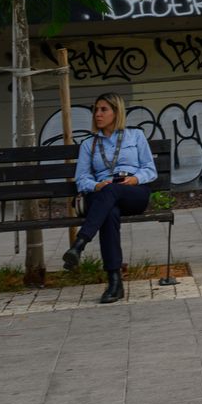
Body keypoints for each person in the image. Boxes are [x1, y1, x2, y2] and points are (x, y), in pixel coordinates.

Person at [63, 92, 158, 304]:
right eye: (96, 110)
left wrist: (135, 179)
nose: (98, 114)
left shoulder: (135, 136)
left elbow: (150, 170)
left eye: (103, 110)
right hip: (103, 195)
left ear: (116, 112)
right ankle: (114, 282)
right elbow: (82, 179)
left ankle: (79, 243)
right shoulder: (90, 144)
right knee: (109, 210)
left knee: (112, 192)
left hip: (132, 193)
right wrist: (97, 185)